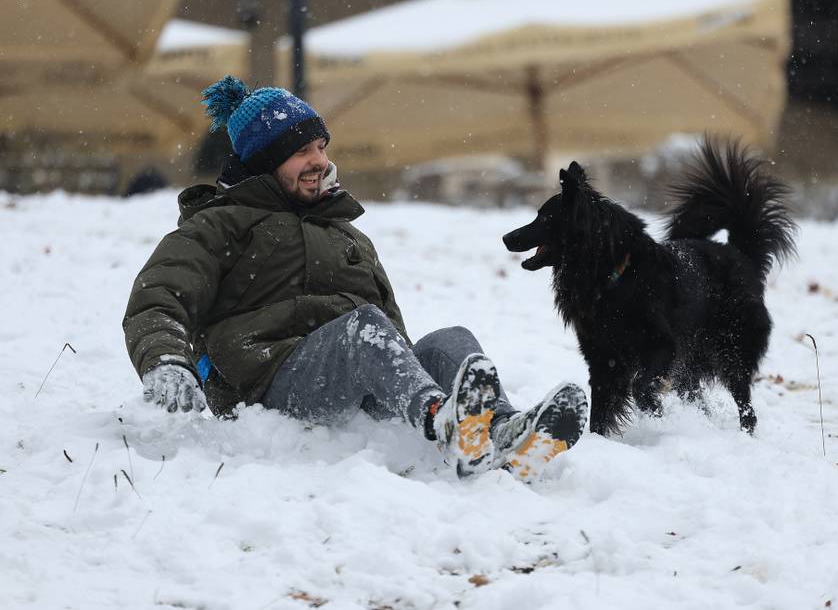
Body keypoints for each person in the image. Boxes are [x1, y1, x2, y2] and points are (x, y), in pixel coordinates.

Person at [123, 76, 589, 481]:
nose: (318, 160)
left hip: (353, 373)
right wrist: (167, 360)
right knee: (363, 329)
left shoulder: (345, 234)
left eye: (321, 147)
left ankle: (505, 432)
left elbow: (391, 332)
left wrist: (407, 373)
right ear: (265, 162)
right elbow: (159, 294)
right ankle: (441, 420)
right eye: (301, 151)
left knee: (451, 340)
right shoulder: (219, 224)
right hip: (266, 383)